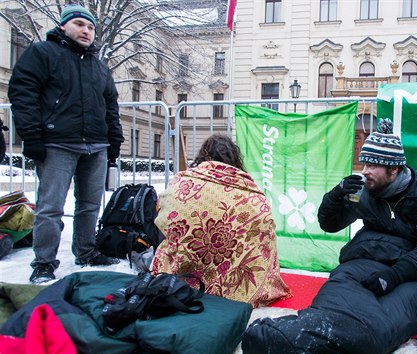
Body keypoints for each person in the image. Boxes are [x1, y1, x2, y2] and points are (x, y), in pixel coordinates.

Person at [242, 118, 417, 354]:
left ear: (394, 169)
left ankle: (323, 340)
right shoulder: (364, 192)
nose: (364, 171)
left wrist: (393, 276)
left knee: (378, 329)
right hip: (364, 260)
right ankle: (297, 333)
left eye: (371, 165)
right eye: (363, 163)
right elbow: (330, 224)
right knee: (332, 307)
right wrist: (335, 197)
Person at [8, 5, 125, 284]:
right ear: (63, 27)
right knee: (51, 207)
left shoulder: (98, 66)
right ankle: (44, 262)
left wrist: (114, 141)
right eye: (79, 24)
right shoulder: (42, 53)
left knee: (90, 204)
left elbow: (111, 105)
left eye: (91, 27)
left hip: (96, 144)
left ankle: (85, 251)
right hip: (57, 143)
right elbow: (23, 93)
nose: (86, 31)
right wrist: (32, 136)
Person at [151, 134, 291, 308]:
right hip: (235, 280)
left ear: (203, 156)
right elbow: (264, 231)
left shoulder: (183, 182)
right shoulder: (251, 193)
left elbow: (163, 216)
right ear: (234, 159)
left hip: (183, 274)